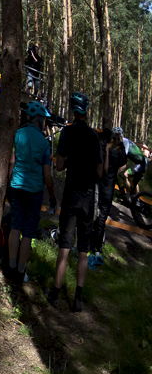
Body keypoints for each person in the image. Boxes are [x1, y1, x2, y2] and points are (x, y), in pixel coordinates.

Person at [47, 92, 103, 312]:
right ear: (87, 111)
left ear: (72, 110)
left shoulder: (67, 133)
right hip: (89, 198)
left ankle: (55, 293)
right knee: (83, 251)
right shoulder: (94, 136)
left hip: (71, 195)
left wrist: (72, 160)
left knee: (64, 247)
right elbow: (100, 171)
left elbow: (59, 166)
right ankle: (78, 299)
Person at [4, 101, 56, 283]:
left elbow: (11, 162)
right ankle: (20, 270)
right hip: (34, 191)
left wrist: (9, 184)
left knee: (15, 227)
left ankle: (10, 267)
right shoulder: (44, 142)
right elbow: (47, 175)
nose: (45, 123)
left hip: (17, 187)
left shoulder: (18, 134)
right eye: (44, 120)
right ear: (39, 119)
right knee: (28, 233)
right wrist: (53, 197)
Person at [87, 127, 127, 269]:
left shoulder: (100, 152)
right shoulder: (117, 155)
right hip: (108, 192)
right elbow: (124, 161)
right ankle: (97, 248)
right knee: (102, 220)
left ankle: (87, 242)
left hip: (97, 188)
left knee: (92, 215)